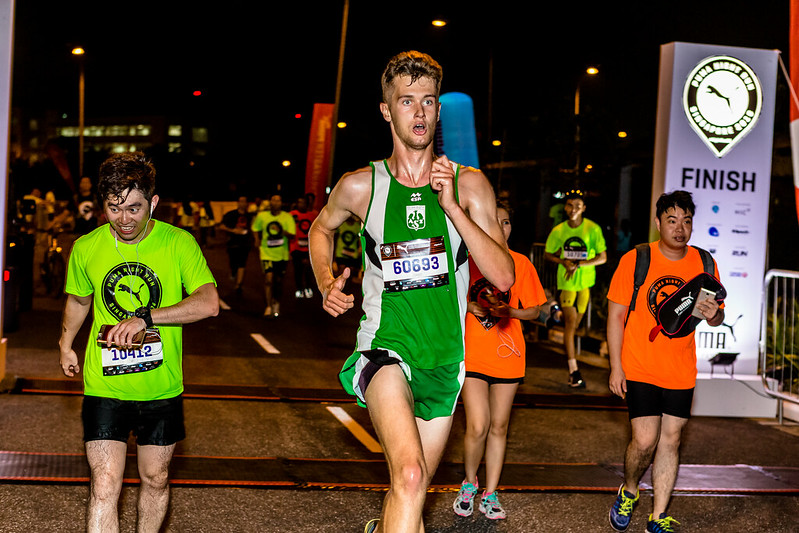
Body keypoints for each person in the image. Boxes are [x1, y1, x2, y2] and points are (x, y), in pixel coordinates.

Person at [308, 50, 514, 533]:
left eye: (427, 102)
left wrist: (454, 210)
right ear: (387, 110)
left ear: (439, 110)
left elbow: (504, 277)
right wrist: (324, 281)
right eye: (407, 102)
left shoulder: (470, 185)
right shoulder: (361, 185)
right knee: (410, 472)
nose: (418, 113)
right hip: (386, 348)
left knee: (412, 494)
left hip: (445, 359)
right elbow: (321, 229)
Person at [58, 152, 219, 533]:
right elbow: (80, 300)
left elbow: (208, 303)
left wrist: (146, 317)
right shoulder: (86, 247)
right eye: (114, 208)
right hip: (105, 384)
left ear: (153, 203)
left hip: (161, 386)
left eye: (134, 208)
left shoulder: (178, 243)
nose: (124, 219)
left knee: (155, 478)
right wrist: (66, 344)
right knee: (104, 484)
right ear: (103, 204)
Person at [606, 190, 724, 533]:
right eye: (672, 220)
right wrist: (616, 366)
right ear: (659, 223)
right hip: (640, 364)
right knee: (644, 441)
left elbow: (715, 317)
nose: (680, 228)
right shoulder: (637, 259)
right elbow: (615, 316)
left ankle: (658, 517)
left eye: (686, 221)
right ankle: (629, 489)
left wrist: (714, 315)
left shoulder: (704, 264)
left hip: (680, 369)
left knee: (670, 440)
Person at [453, 203, 546, 521]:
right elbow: (447, 297)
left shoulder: (521, 263)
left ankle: (490, 493)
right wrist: (469, 306)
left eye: (506, 222)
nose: (501, 227)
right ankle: (469, 484)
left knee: (499, 426)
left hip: (509, 355)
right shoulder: (467, 259)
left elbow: (535, 310)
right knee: (477, 425)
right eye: (494, 221)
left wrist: (511, 312)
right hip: (474, 353)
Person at [544, 190, 607, 388]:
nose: (573, 210)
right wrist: (563, 260)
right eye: (570, 205)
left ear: (584, 208)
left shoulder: (592, 229)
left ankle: (557, 314)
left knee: (575, 324)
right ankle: (574, 371)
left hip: (585, 284)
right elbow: (547, 254)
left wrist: (579, 265)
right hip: (567, 283)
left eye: (578, 206)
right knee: (571, 326)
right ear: (565, 207)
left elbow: (603, 257)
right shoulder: (559, 230)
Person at [251, 193, 295, 318]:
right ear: (270, 202)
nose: (276, 202)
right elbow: (255, 228)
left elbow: (292, 235)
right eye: (273, 200)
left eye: (278, 200)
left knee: (279, 281)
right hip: (266, 253)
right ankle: (268, 306)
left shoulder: (287, 217)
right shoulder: (262, 216)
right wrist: (256, 239)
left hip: (282, 255)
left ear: (281, 203)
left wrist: (280, 230)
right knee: (268, 279)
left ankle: (276, 302)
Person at [218, 196, 255, 294]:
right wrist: (233, 230)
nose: (242, 203)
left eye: (244, 201)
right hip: (233, 243)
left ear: (247, 204)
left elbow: (253, 228)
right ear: (238, 203)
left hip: (245, 243)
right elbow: (221, 226)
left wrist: (255, 239)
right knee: (233, 263)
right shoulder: (231, 214)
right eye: (241, 201)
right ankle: (233, 272)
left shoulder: (250, 216)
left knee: (242, 263)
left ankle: (239, 285)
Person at [290, 195, 318, 298]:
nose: (301, 204)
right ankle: (299, 289)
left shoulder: (312, 215)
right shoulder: (292, 215)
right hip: (296, 247)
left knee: (308, 268)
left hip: (309, 247)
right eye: (299, 202)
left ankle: (308, 287)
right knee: (298, 269)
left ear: (307, 204)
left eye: (303, 202)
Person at [332, 214, 363, 284]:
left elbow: (360, 241)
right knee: (340, 275)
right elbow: (335, 240)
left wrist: (360, 250)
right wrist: (333, 260)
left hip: (353, 255)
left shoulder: (358, 227)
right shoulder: (340, 225)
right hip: (340, 254)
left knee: (350, 278)